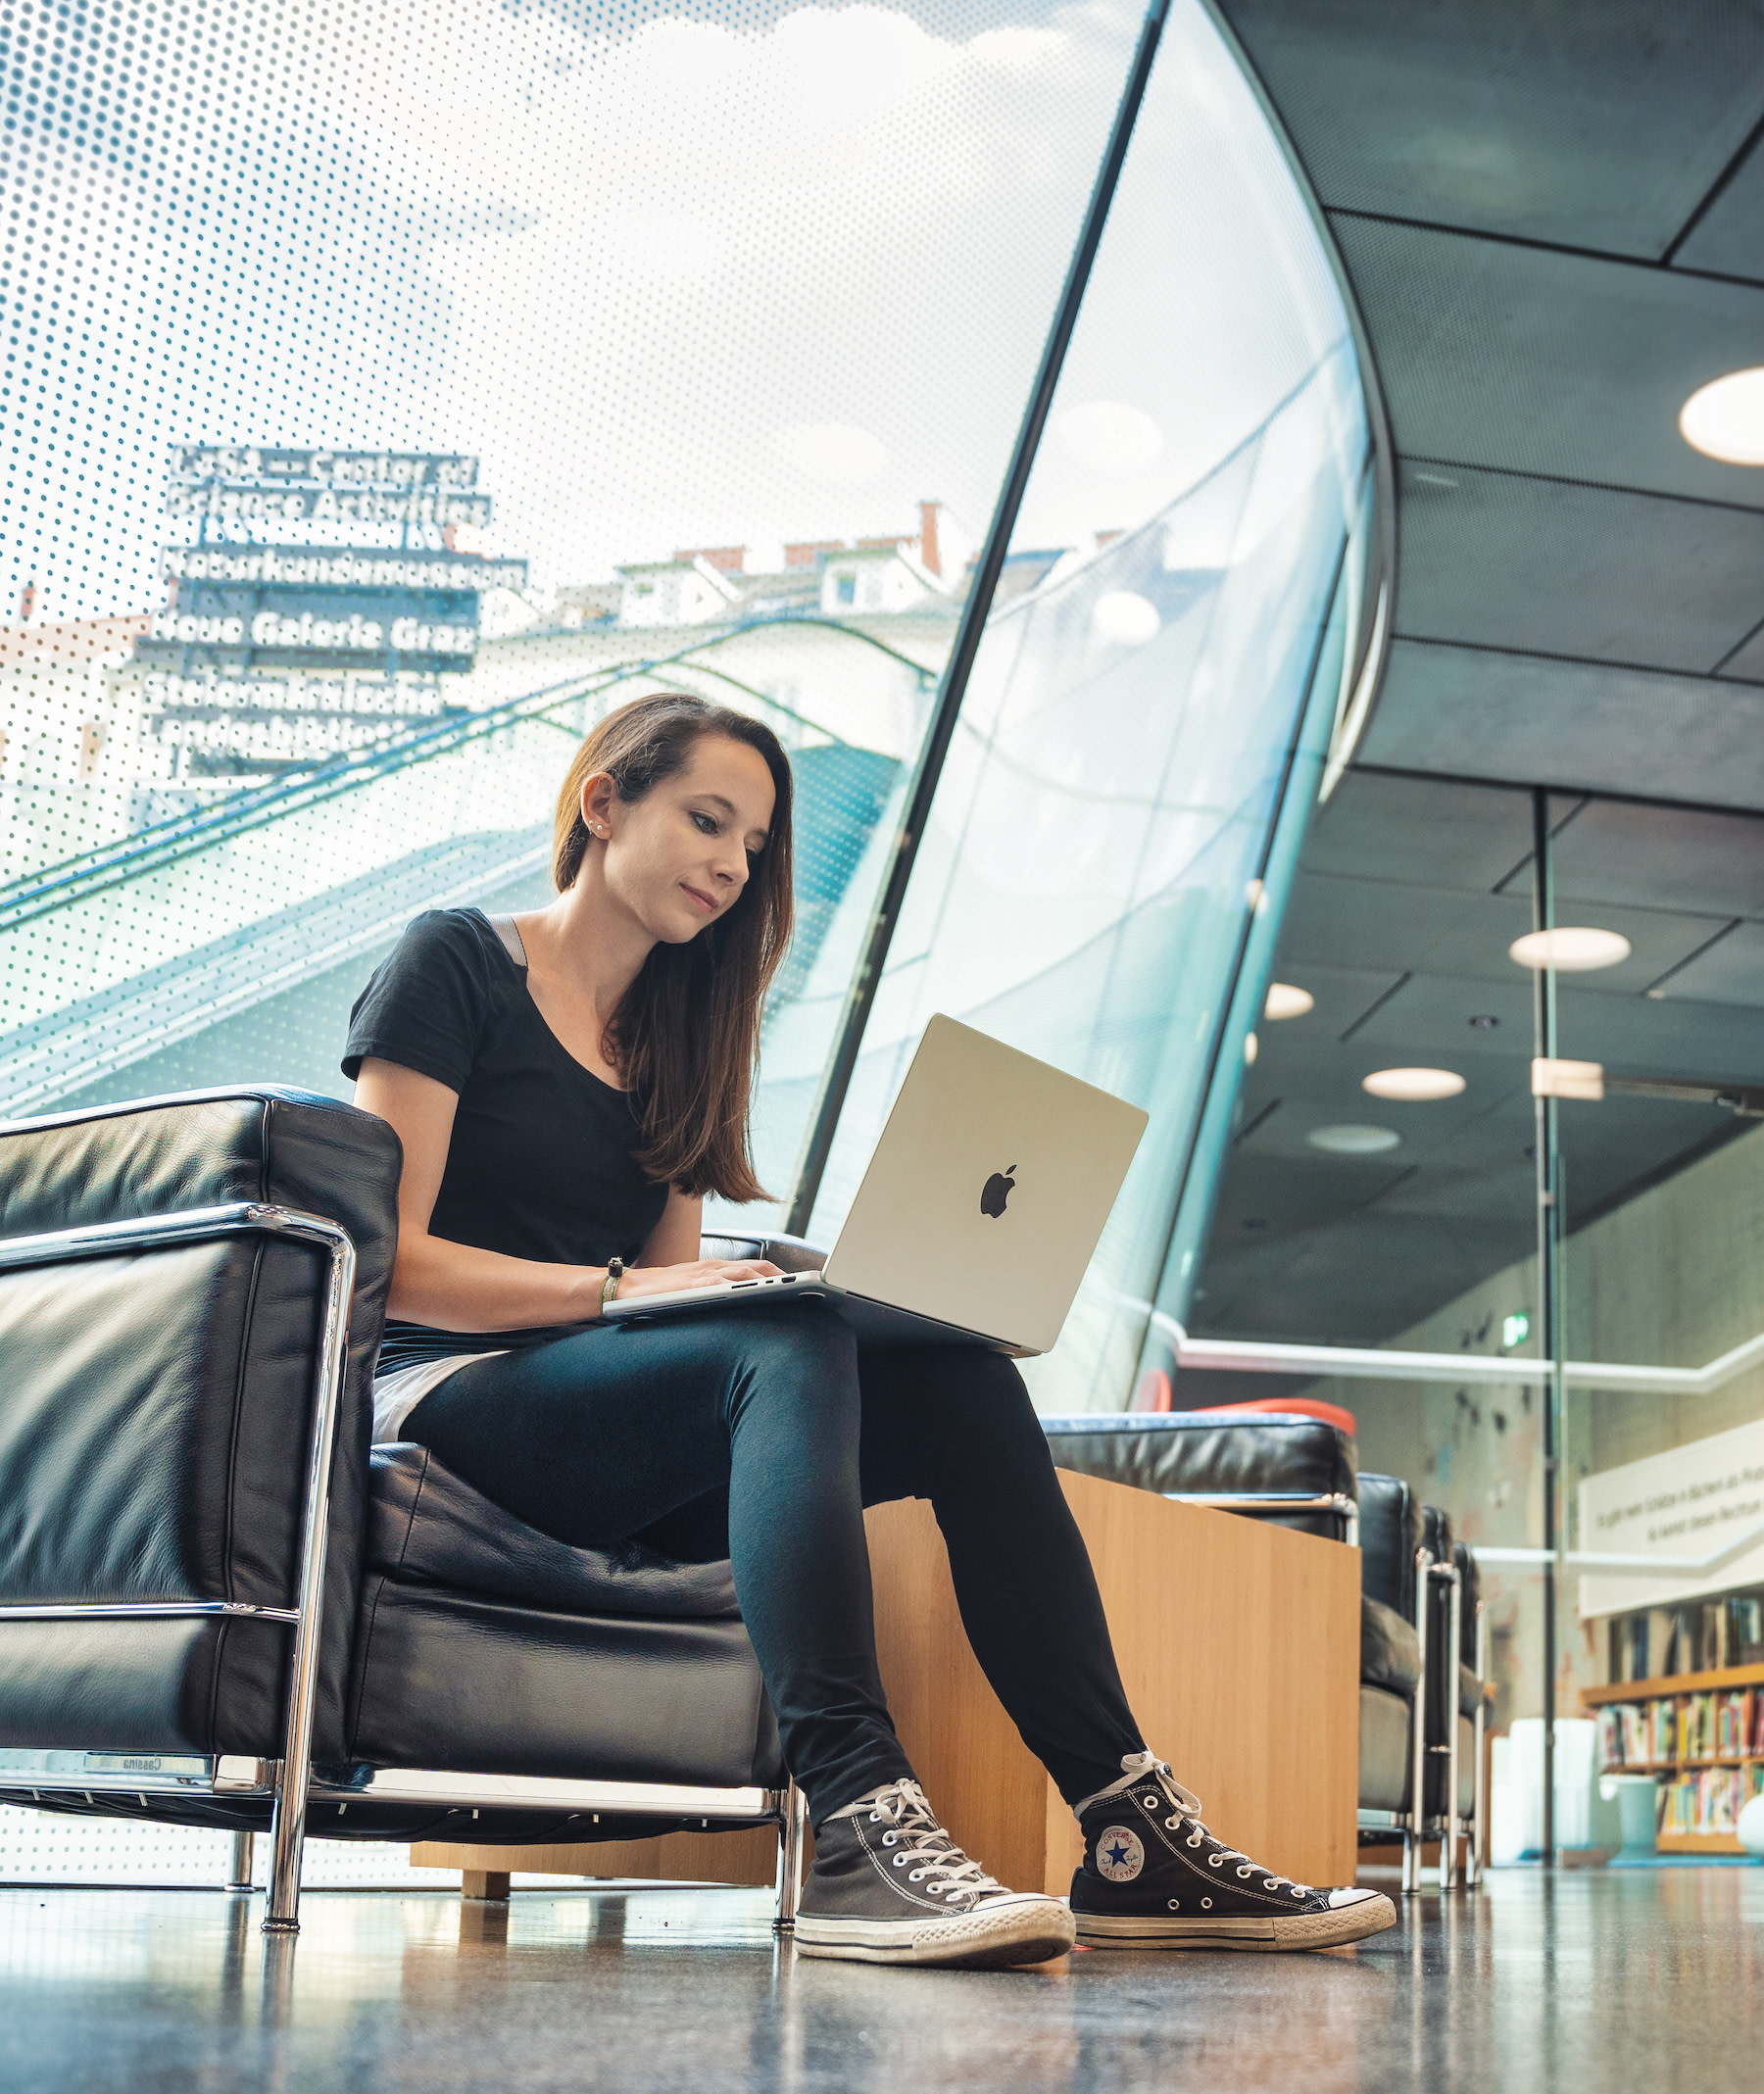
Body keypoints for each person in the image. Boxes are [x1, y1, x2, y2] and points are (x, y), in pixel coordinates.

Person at [344, 692, 1396, 1970]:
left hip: (602, 1413)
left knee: (951, 1377)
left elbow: (677, 1309)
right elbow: (387, 1265)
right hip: (447, 1393)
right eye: (707, 820)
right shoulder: (451, 961)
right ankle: (856, 1827)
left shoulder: (685, 1035)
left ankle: (1130, 1836)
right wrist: (627, 1294)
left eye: (753, 843)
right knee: (783, 1346)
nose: (734, 865)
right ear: (603, 802)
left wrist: (735, 1289)